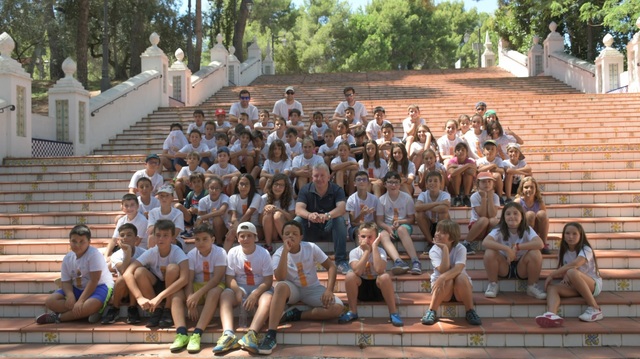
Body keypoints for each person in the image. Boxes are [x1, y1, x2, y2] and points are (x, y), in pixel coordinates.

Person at [258, 220, 344, 355]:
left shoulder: (311, 247)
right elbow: (280, 277)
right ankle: (271, 335)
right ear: (282, 237)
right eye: (287, 234)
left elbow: (331, 267)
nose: (290, 236)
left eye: (294, 233)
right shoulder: (279, 254)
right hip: (293, 290)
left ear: (301, 237)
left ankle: (297, 314)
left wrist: (329, 290)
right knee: (280, 286)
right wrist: (286, 252)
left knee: (337, 308)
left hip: (313, 289)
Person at [214, 222, 273, 354]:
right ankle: (228, 335)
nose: (245, 239)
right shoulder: (233, 252)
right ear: (237, 238)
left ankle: (251, 334)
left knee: (267, 298)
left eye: (249, 236)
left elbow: (268, 281)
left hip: (260, 287)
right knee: (225, 295)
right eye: (242, 236)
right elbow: (229, 278)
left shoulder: (263, 253)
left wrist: (255, 294)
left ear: (255, 237)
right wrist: (236, 290)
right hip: (240, 286)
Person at [36, 225, 114, 324]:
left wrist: (80, 301)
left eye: (82, 241)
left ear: (89, 242)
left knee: (91, 304)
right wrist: (70, 296)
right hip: (77, 288)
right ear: (69, 241)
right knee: (50, 301)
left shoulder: (94, 255)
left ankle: (58, 317)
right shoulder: (68, 258)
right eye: (74, 241)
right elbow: (66, 281)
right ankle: (85, 312)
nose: (77, 245)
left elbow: (94, 280)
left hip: (100, 286)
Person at [170, 225, 227, 353]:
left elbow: (217, 279)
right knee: (177, 294)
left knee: (214, 292)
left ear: (212, 240)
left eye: (204, 239)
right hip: (197, 285)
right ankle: (181, 333)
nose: (200, 243)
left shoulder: (220, 252)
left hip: (214, 286)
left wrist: (197, 295)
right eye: (197, 239)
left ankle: (197, 333)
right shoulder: (191, 254)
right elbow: (189, 280)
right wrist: (190, 299)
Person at [123, 220, 189, 328]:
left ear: (173, 238)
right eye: (158, 235)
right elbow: (127, 273)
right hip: (156, 287)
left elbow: (185, 279)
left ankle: (167, 309)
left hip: (173, 288)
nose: (161, 239)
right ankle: (156, 310)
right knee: (139, 272)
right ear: (153, 236)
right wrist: (139, 297)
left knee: (172, 268)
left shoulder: (177, 251)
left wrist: (160, 297)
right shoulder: (152, 252)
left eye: (165, 235)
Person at [536, 222, 603, 327]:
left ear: (581, 236)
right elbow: (564, 269)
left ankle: (595, 308)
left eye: (574, 234)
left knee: (572, 271)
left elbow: (575, 264)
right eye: (567, 233)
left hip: (593, 285)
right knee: (552, 288)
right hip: (575, 285)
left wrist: (552, 275)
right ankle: (551, 314)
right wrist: (565, 274)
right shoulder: (563, 251)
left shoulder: (586, 249)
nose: (570, 237)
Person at [339, 222, 403, 327]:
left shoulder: (381, 251)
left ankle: (393, 313)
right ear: (358, 237)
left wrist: (374, 248)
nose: (366, 240)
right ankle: (352, 311)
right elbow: (358, 272)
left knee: (385, 276)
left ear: (376, 238)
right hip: (361, 289)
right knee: (350, 275)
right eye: (363, 236)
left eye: (370, 237)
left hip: (378, 289)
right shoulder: (354, 252)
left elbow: (379, 269)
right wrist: (366, 252)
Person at [421, 220, 481, 326]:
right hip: (444, 290)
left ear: (452, 238)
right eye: (437, 231)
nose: (438, 234)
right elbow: (443, 270)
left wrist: (442, 277)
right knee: (447, 280)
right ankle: (431, 311)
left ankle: (470, 311)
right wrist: (444, 249)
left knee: (461, 277)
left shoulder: (461, 248)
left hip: (460, 289)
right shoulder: (434, 250)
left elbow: (458, 269)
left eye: (443, 232)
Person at [482, 202, 546, 300]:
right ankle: (493, 284)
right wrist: (507, 249)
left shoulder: (526, 229)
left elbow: (540, 244)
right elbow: (485, 242)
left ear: (522, 217)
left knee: (535, 253)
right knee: (489, 252)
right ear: (504, 217)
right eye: (508, 214)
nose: (512, 216)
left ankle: (532, 286)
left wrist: (517, 247)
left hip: (522, 267)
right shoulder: (499, 229)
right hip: (504, 266)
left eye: (515, 213)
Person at [294, 163, 349, 274]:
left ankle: (341, 262)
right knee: (297, 221)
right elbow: (298, 209)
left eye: (322, 175)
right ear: (312, 177)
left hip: (329, 228)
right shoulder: (305, 189)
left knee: (339, 220)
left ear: (329, 177)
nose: (319, 179)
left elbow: (341, 209)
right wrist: (310, 215)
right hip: (311, 227)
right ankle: (298, 259)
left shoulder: (337, 189)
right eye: (316, 176)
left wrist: (327, 216)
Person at [375, 171, 421, 275]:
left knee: (401, 229)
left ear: (400, 184)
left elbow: (411, 219)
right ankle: (398, 261)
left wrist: (400, 221)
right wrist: (388, 227)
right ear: (385, 184)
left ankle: (415, 261)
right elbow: (379, 221)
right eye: (390, 182)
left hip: (403, 225)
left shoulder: (407, 198)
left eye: (396, 182)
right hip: (388, 226)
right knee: (382, 234)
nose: (393, 185)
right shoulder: (381, 200)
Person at [101, 223, 146, 325]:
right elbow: (123, 271)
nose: (125, 237)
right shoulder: (116, 255)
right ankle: (115, 307)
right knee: (122, 278)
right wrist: (128, 252)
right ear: (118, 240)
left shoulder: (144, 253)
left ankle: (132, 307)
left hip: (139, 288)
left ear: (136, 239)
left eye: (129, 235)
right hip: (123, 290)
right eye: (122, 235)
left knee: (135, 274)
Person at [105, 194, 149, 262]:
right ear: (122, 207)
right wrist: (106, 256)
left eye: (132, 205)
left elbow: (136, 242)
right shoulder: (121, 220)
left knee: (110, 263)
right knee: (101, 254)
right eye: (126, 205)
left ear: (137, 206)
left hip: (137, 252)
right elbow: (114, 240)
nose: (129, 208)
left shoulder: (142, 220)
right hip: (123, 248)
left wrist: (114, 256)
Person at [224, 174, 262, 252]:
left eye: (246, 184)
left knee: (235, 232)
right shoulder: (233, 198)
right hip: (238, 226)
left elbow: (248, 214)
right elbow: (233, 217)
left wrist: (236, 228)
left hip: (255, 227)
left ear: (251, 185)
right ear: (237, 185)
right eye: (241, 184)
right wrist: (236, 227)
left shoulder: (257, 197)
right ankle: (224, 259)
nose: (244, 187)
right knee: (232, 233)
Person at [465, 172, 500, 252]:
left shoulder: (495, 196)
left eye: (489, 181)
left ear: (493, 184)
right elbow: (482, 214)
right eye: (483, 182)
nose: (487, 184)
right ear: (478, 184)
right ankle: (467, 243)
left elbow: (492, 214)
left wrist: (490, 197)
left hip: (489, 230)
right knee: (484, 220)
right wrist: (484, 198)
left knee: (494, 220)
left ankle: (493, 243)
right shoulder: (475, 196)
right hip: (477, 226)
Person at [260, 173, 295, 254]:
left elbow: (292, 218)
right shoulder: (264, 198)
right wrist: (266, 210)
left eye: (281, 185)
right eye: (276, 184)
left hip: (283, 229)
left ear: (285, 187)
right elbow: (259, 220)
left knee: (277, 215)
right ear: (271, 185)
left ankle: (288, 245)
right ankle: (268, 246)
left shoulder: (289, 199)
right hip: (269, 231)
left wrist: (278, 209)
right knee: (268, 214)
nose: (278, 188)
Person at [415, 171, 451, 248]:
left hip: (442, 224)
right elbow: (417, 207)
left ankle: (441, 242)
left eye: (435, 181)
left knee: (443, 213)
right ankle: (431, 243)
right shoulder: (423, 194)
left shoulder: (445, 195)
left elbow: (444, 208)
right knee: (418, 214)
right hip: (429, 225)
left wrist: (425, 207)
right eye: (430, 181)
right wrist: (438, 203)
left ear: (441, 183)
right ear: (426, 184)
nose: (432, 183)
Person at [515, 176, 550, 254]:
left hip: (536, 228)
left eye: (532, 187)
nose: (529, 190)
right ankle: (529, 243)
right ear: (522, 189)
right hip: (522, 228)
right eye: (526, 187)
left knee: (542, 214)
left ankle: (543, 243)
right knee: (529, 215)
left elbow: (544, 220)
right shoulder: (517, 202)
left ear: (536, 189)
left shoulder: (540, 203)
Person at [147, 184, 184, 249]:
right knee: (151, 238)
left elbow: (174, 234)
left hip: (174, 241)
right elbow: (150, 231)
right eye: (161, 196)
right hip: (157, 239)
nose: (164, 198)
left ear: (172, 197)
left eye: (167, 195)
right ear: (158, 197)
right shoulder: (152, 212)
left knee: (170, 240)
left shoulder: (178, 214)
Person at [196, 176, 229, 247]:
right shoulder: (203, 201)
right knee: (200, 223)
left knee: (217, 218)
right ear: (208, 188)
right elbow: (203, 218)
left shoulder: (225, 198)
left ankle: (219, 243)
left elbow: (222, 211)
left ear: (221, 189)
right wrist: (204, 220)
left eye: (217, 188)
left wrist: (203, 217)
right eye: (212, 188)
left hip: (223, 228)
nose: (214, 190)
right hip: (209, 227)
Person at [346, 171, 379, 241]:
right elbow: (352, 223)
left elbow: (376, 221)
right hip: (355, 227)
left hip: (370, 226)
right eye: (359, 179)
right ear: (354, 183)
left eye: (364, 179)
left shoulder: (374, 199)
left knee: (373, 232)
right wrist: (362, 214)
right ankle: (361, 252)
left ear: (368, 183)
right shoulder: (351, 199)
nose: (361, 181)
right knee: (360, 232)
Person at [174, 172, 207, 237]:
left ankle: (194, 230)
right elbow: (185, 207)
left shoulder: (206, 193)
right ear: (191, 184)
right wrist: (189, 210)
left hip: (203, 217)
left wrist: (197, 211)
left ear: (203, 183)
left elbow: (209, 209)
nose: (196, 184)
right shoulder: (190, 194)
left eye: (198, 181)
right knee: (177, 206)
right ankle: (181, 228)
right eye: (194, 182)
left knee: (200, 216)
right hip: (191, 217)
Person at [446, 142, 477, 207]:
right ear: (455, 153)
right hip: (453, 187)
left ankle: (466, 197)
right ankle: (457, 197)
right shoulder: (451, 161)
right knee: (456, 174)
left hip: (467, 186)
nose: (460, 151)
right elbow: (452, 173)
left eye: (463, 150)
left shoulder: (471, 161)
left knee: (467, 175)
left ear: (466, 153)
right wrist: (466, 166)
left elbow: (473, 172)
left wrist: (457, 167)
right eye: (458, 150)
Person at [476, 140, 506, 204]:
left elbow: (501, 171)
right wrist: (493, 166)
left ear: (496, 151)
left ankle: (500, 197)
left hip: (494, 181)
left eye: (492, 149)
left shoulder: (498, 160)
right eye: (487, 149)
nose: (490, 151)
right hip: (483, 180)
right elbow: (479, 170)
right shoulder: (480, 160)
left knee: (497, 175)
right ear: (483, 151)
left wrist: (486, 168)